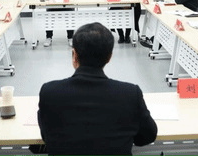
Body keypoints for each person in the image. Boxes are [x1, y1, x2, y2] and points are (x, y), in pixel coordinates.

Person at [37, 22, 157, 155]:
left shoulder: (50, 93)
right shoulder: (130, 94)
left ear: (74, 54)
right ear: (109, 57)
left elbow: (46, 136)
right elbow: (148, 136)